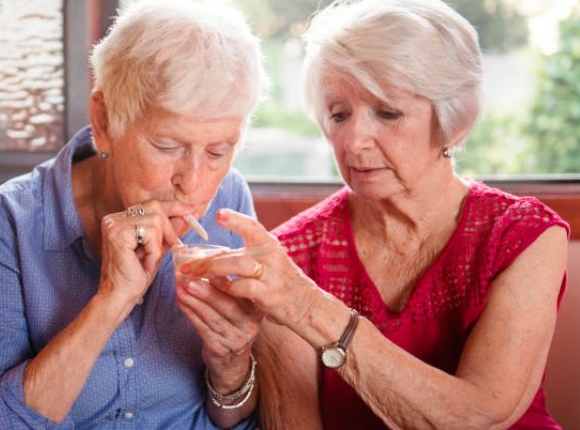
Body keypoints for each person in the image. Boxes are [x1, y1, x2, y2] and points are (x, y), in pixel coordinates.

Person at [179, 0, 570, 428]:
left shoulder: (524, 237)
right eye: (338, 115)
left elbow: (479, 417)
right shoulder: (290, 257)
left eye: (388, 112)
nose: (354, 141)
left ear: (455, 121)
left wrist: (310, 309)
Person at [0, 0, 269, 428]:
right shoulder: (6, 223)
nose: (196, 182)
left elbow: (235, 418)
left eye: (219, 151)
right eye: (168, 146)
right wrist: (110, 302)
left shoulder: (230, 199)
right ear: (105, 120)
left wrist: (232, 366)